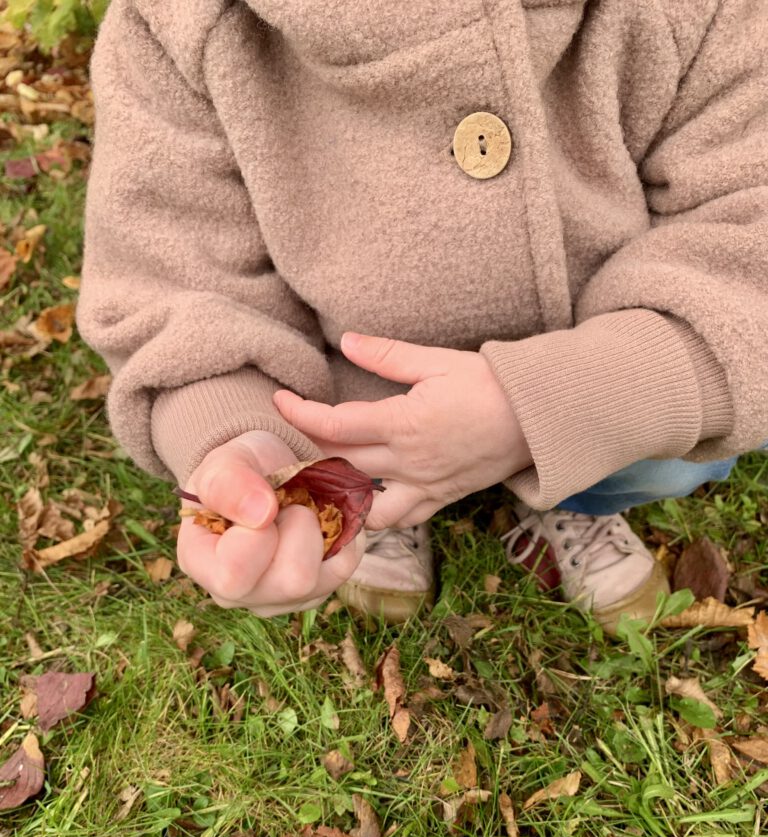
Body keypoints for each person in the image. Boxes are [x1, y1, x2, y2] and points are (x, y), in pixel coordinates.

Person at [76, 0, 768, 635]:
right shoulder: (175, 25)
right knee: (356, 463)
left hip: (608, 370)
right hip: (340, 415)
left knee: (658, 458)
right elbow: (175, 277)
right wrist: (242, 430)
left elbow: (749, 232)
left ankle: (579, 495)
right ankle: (369, 502)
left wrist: (559, 405)